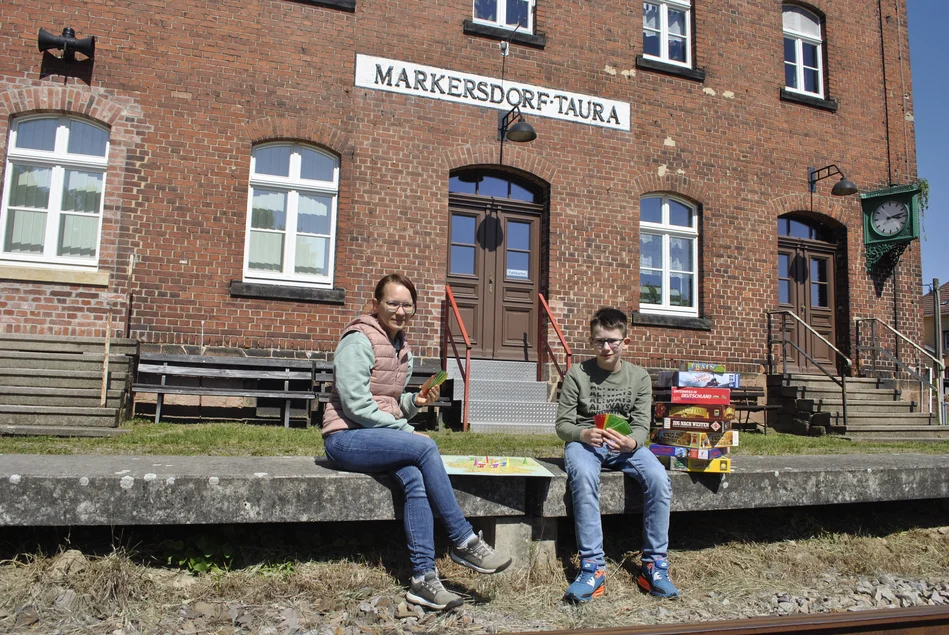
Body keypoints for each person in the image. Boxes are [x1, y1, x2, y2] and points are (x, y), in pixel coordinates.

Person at [321, 273, 512, 611]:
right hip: (345, 438)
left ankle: (423, 579)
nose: (400, 310)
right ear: (376, 303)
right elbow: (354, 404)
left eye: (407, 305)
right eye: (392, 303)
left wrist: (414, 403)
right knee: (424, 446)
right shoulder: (358, 339)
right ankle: (463, 540)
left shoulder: (401, 346)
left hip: (375, 436)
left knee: (414, 476)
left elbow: (387, 404)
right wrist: (405, 430)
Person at [555, 307, 678, 602]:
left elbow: (641, 426)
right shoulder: (578, 374)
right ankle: (593, 567)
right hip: (586, 444)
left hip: (626, 448)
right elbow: (562, 425)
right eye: (599, 341)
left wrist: (633, 444)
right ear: (591, 340)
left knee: (659, 479)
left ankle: (654, 564)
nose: (606, 347)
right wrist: (583, 434)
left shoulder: (639, 377)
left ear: (625, 341)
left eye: (613, 341)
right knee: (583, 477)